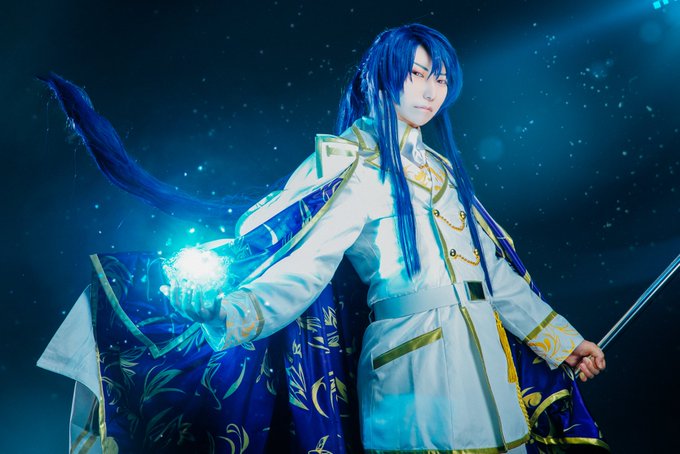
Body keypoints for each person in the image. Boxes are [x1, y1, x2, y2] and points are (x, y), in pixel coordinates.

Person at [39, 24, 607, 453]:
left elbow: (492, 274)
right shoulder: (350, 166)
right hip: (414, 368)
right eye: (417, 73)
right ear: (381, 75)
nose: (431, 90)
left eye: (440, 78)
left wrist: (564, 342)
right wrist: (226, 310)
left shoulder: (442, 170)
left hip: (487, 361)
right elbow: (302, 270)